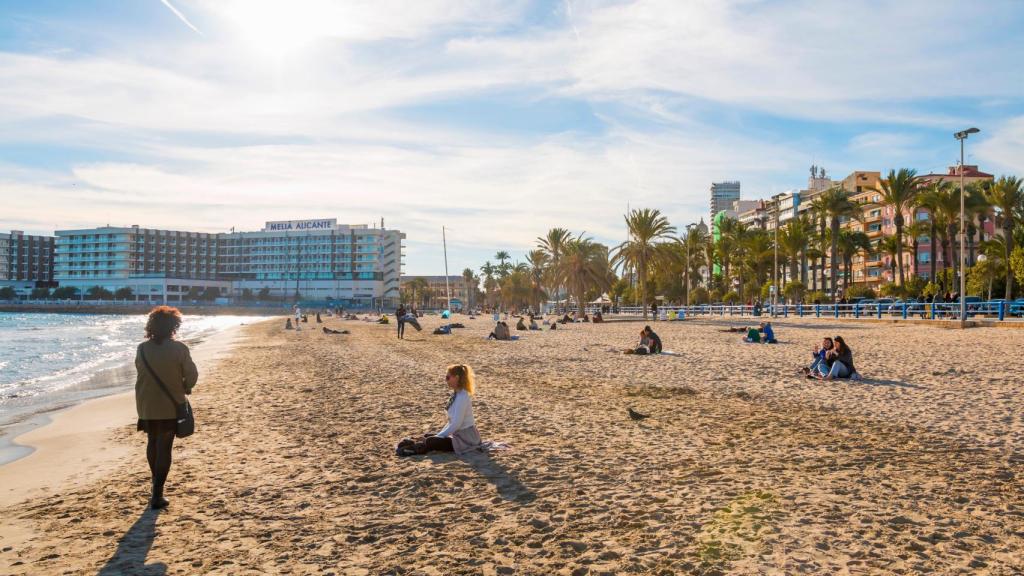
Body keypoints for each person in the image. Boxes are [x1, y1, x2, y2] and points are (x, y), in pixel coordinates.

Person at [135, 306, 198, 510]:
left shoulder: (142, 348)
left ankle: (155, 484)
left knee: (152, 441)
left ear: (151, 326)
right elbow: (192, 374)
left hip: (146, 402)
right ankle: (157, 493)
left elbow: (140, 370)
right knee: (165, 446)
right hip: (170, 403)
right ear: (174, 326)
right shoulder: (179, 349)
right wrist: (186, 387)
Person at [396, 364, 481, 456]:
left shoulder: (463, 396)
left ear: (456, 378)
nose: (446, 380)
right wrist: (438, 435)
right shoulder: (456, 395)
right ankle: (418, 445)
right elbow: (451, 422)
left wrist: (438, 436)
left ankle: (416, 448)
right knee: (427, 436)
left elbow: (456, 424)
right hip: (456, 434)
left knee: (431, 440)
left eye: (448, 377)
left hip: (466, 438)